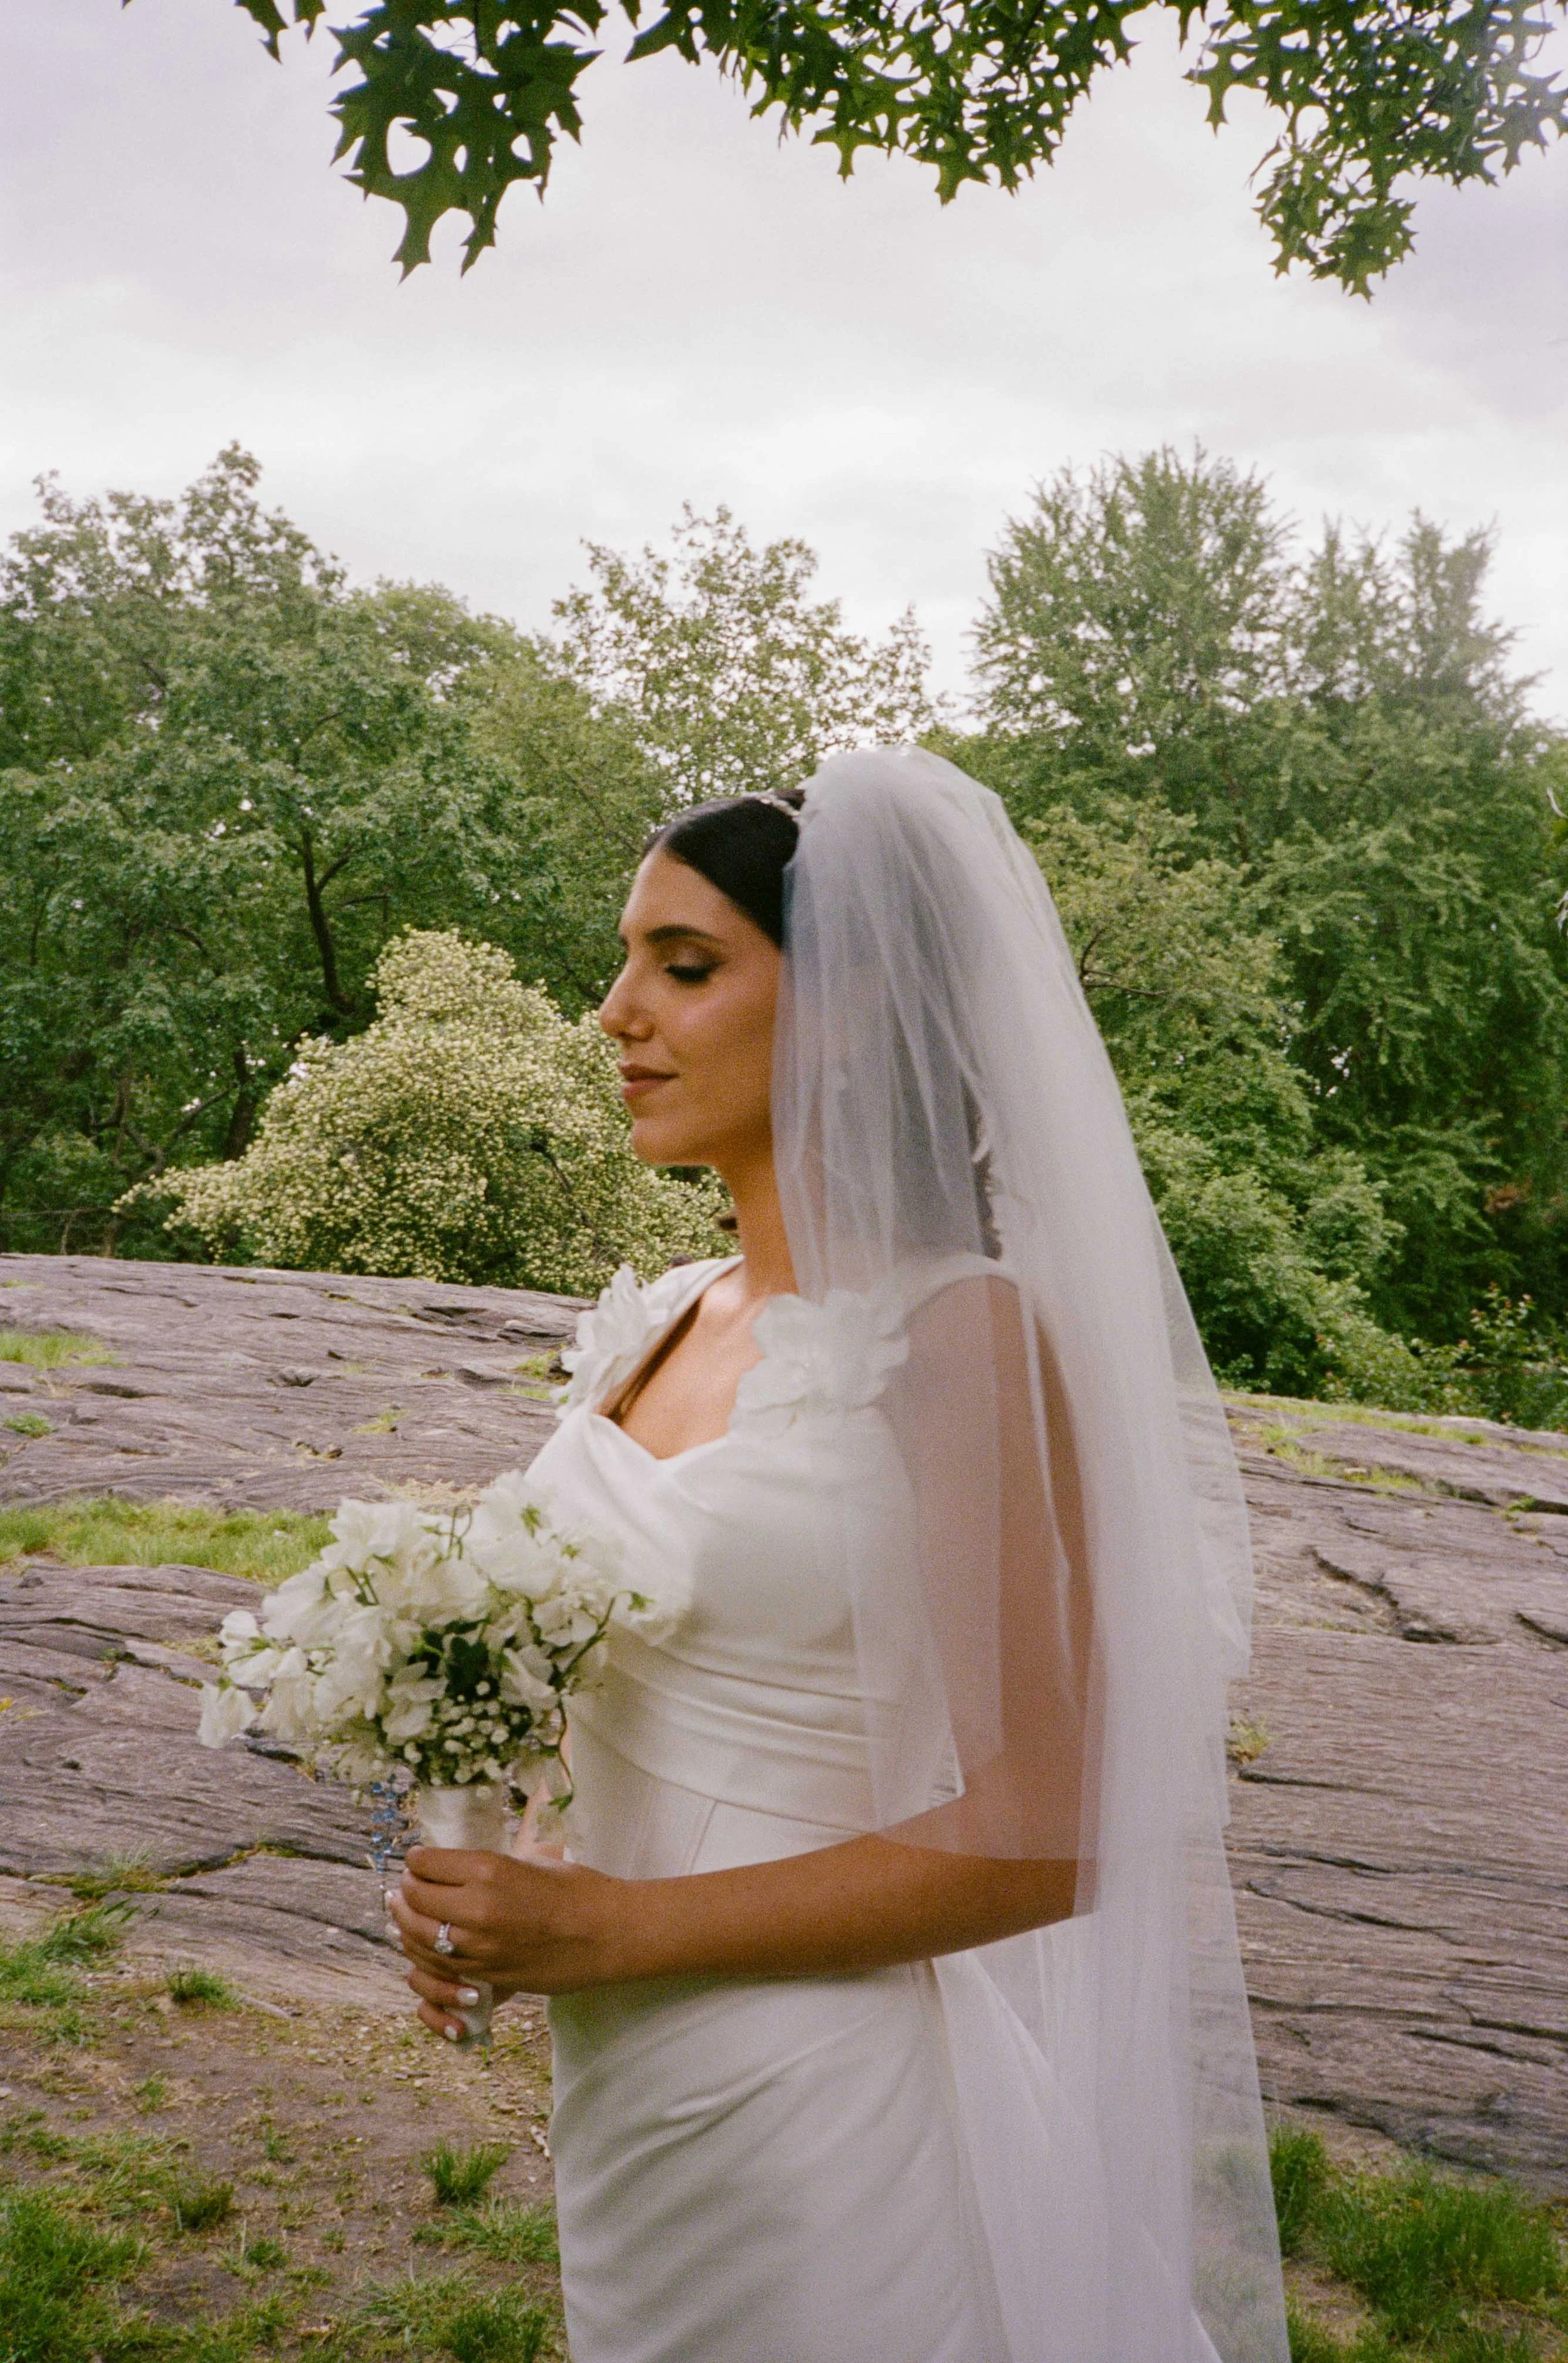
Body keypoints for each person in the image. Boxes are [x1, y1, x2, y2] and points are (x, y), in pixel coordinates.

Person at [389, 746, 1290, 2363]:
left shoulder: (957, 1342)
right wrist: (479, 1845)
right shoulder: (666, 1314)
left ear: (854, 1011)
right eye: (627, 962)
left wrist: (613, 1931)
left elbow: (1049, 1835)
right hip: (636, 2104)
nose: (616, 1013)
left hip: (820, 2115)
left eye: (686, 965)